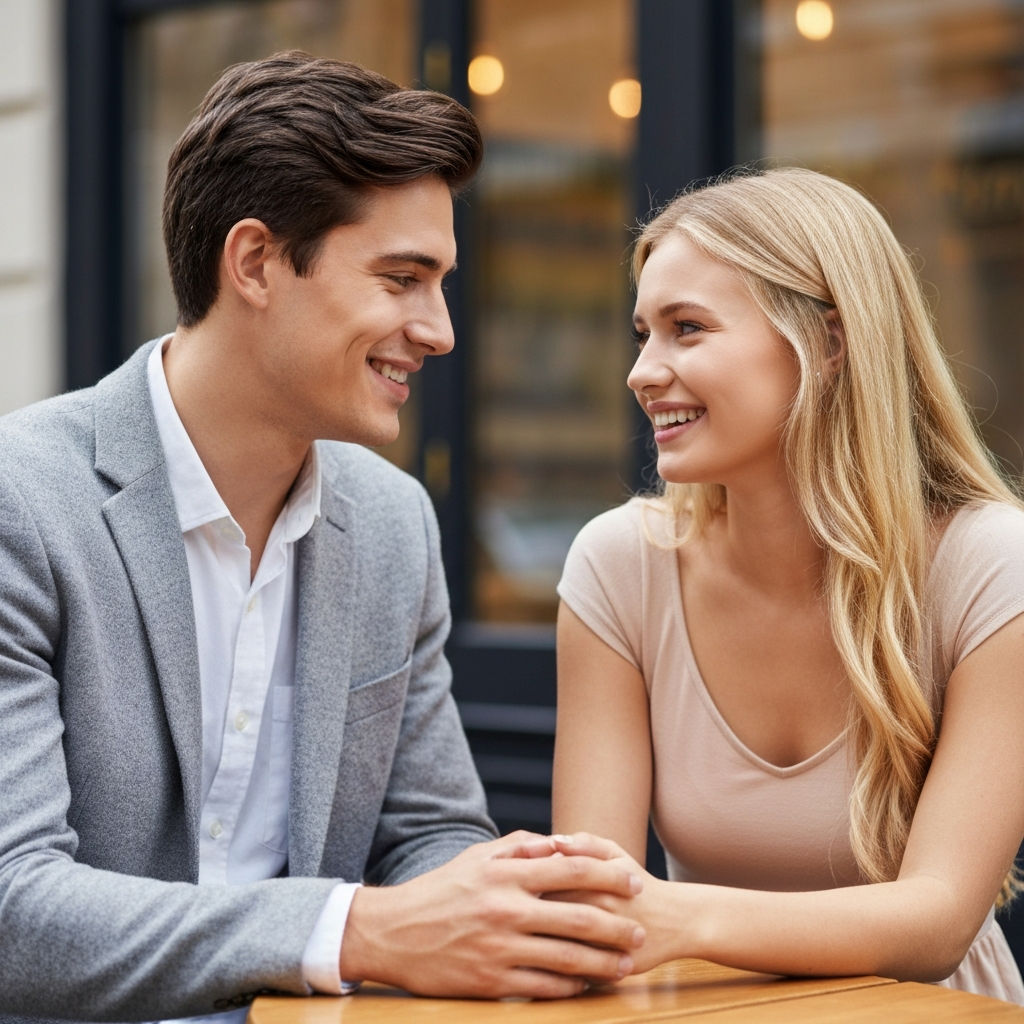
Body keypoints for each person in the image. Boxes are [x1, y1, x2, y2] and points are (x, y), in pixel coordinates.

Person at [0, 52, 647, 1024]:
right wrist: (359, 931)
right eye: (401, 278)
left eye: (440, 284)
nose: (437, 330)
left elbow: (425, 835)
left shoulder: (391, 522)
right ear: (255, 262)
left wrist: (508, 897)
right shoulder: (23, 500)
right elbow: (15, 909)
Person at [551, 166, 1024, 1003]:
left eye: (686, 328)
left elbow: (938, 921)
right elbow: (598, 906)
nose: (642, 371)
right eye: (642, 334)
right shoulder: (620, 566)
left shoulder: (991, 565)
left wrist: (679, 919)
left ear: (829, 342)